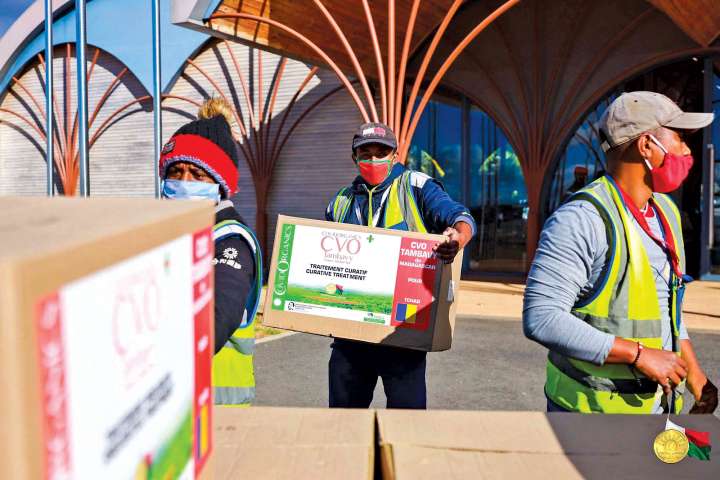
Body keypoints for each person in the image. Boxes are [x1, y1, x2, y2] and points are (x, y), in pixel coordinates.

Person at [523, 91, 718, 414]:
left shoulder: (665, 213)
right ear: (646, 146)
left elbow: (665, 309)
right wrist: (639, 354)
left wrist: (695, 375)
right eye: (680, 137)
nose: (687, 150)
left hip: (655, 408)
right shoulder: (582, 219)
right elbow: (541, 318)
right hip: (588, 417)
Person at [325, 122, 476, 409]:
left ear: (395, 155)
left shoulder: (416, 186)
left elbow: (460, 216)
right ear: (354, 157)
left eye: (381, 152)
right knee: (343, 426)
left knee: (407, 427)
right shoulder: (340, 202)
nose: (373, 160)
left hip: (403, 335)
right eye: (365, 153)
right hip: (351, 340)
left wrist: (458, 237)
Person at [160, 98, 262, 406]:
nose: (184, 181)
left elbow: (216, 320)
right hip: (176, 403)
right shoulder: (177, 234)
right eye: (175, 171)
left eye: (197, 174)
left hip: (219, 405)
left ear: (220, 184)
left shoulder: (231, 240)